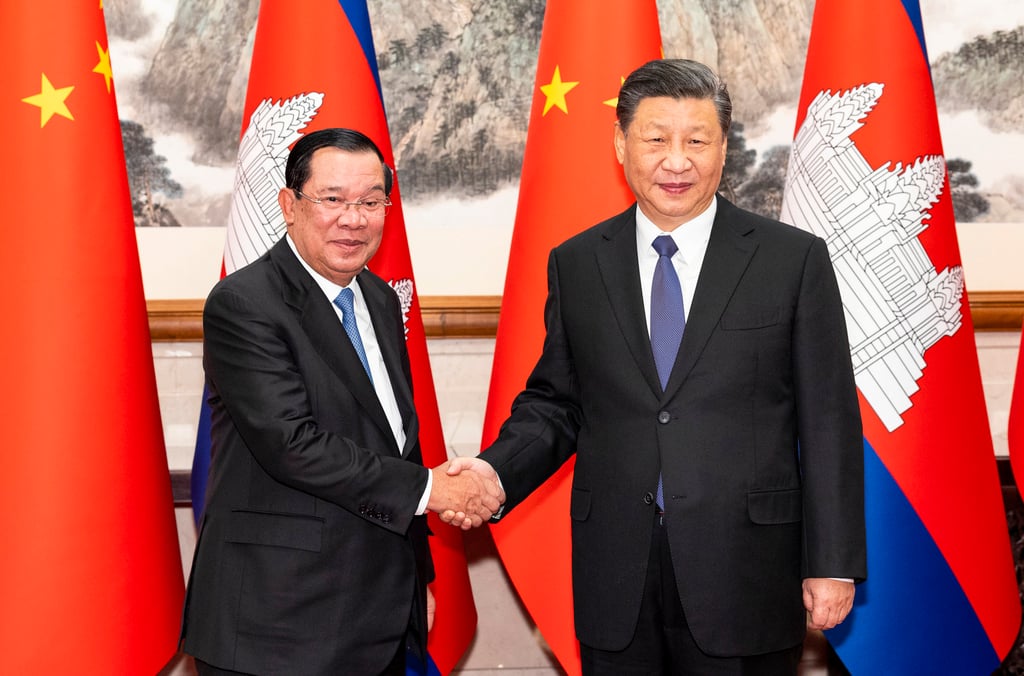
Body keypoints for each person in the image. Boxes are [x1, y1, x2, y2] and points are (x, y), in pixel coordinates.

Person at [448, 59, 866, 674]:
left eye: (697, 140)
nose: (677, 160)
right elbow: (557, 404)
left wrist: (832, 560)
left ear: (724, 149)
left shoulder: (791, 260)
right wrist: (493, 473)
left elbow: (828, 418)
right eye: (656, 139)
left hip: (745, 566)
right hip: (617, 568)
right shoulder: (579, 262)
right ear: (620, 144)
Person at [180, 128, 503, 675]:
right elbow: (292, 444)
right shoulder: (244, 304)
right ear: (289, 204)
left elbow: (397, 442)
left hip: (376, 613)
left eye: (371, 201)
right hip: (276, 623)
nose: (354, 219)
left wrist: (416, 575)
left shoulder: (377, 298)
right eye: (332, 199)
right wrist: (434, 488)